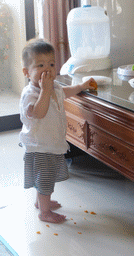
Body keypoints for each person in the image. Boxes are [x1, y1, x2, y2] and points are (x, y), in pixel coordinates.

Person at [19, 38, 97, 223]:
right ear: (26, 72)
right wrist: (45, 91)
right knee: (45, 180)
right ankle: (44, 213)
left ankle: (41, 202)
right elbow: (39, 112)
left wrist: (81, 86)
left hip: (51, 144)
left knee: (45, 177)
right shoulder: (30, 94)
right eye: (40, 65)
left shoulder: (53, 87)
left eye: (52, 64)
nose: (47, 69)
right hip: (40, 147)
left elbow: (65, 92)